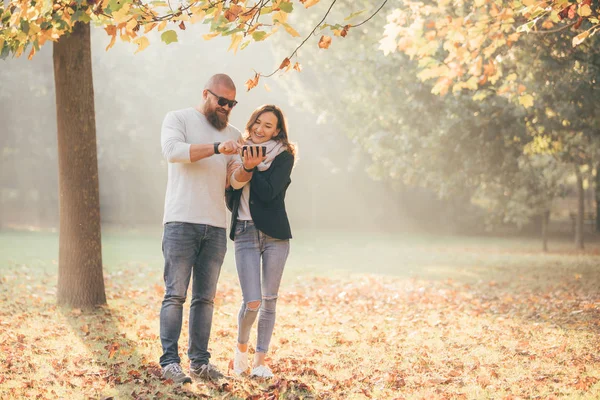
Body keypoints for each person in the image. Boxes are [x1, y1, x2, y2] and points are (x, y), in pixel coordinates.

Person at [159, 74, 242, 384]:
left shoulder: (234, 133)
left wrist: (243, 165)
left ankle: (200, 363)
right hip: (180, 220)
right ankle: (170, 363)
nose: (226, 107)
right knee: (175, 295)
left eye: (232, 103)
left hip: (215, 225)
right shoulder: (178, 118)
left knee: (205, 299)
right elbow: (173, 152)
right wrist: (219, 148)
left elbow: (231, 181)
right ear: (206, 94)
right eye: (222, 101)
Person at [226, 104, 296, 379]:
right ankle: (240, 352)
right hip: (244, 233)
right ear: (251, 122)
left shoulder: (284, 156)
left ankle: (260, 361)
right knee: (252, 301)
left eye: (268, 126)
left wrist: (252, 168)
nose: (260, 129)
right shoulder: (236, 150)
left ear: (277, 131)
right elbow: (230, 191)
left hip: (275, 236)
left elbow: (268, 194)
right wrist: (244, 165)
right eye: (258, 122)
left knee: (269, 300)